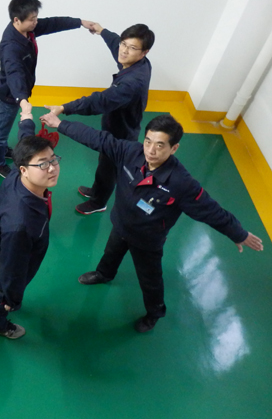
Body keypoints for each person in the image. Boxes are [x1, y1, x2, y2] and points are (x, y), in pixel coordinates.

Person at [41, 113, 264, 332]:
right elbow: (97, 138)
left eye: (159, 145)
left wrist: (238, 233)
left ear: (174, 148)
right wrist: (60, 124)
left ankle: (154, 312)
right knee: (110, 254)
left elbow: (210, 210)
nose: (150, 150)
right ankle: (104, 274)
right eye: (148, 141)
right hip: (121, 224)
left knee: (150, 280)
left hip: (147, 240)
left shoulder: (181, 183)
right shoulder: (130, 152)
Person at [42, 23, 155, 215]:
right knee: (104, 163)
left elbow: (99, 102)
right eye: (124, 44)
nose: (124, 51)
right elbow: (115, 43)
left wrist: (64, 108)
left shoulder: (131, 83)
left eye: (131, 48)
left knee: (108, 167)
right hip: (117, 122)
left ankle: (98, 202)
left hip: (122, 131)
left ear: (144, 52)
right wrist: (101, 30)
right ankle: (97, 191)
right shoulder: (139, 62)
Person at [0, 0, 94, 178]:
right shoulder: (11, 46)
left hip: (18, 93)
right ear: (16, 20)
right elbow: (14, 73)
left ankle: (3, 149)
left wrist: (80, 22)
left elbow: (53, 23)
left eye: (36, 18)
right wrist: (22, 100)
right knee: (0, 131)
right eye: (32, 19)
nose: (36, 22)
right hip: (8, 95)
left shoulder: (27, 29)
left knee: (5, 127)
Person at [0, 105, 61, 339]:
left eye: (53, 159)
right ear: (24, 169)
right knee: (2, 292)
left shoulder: (16, 176)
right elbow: (14, 271)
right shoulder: (21, 224)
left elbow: (25, 139)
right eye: (43, 164)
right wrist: (13, 299)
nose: (52, 168)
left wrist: (26, 116)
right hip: (11, 258)